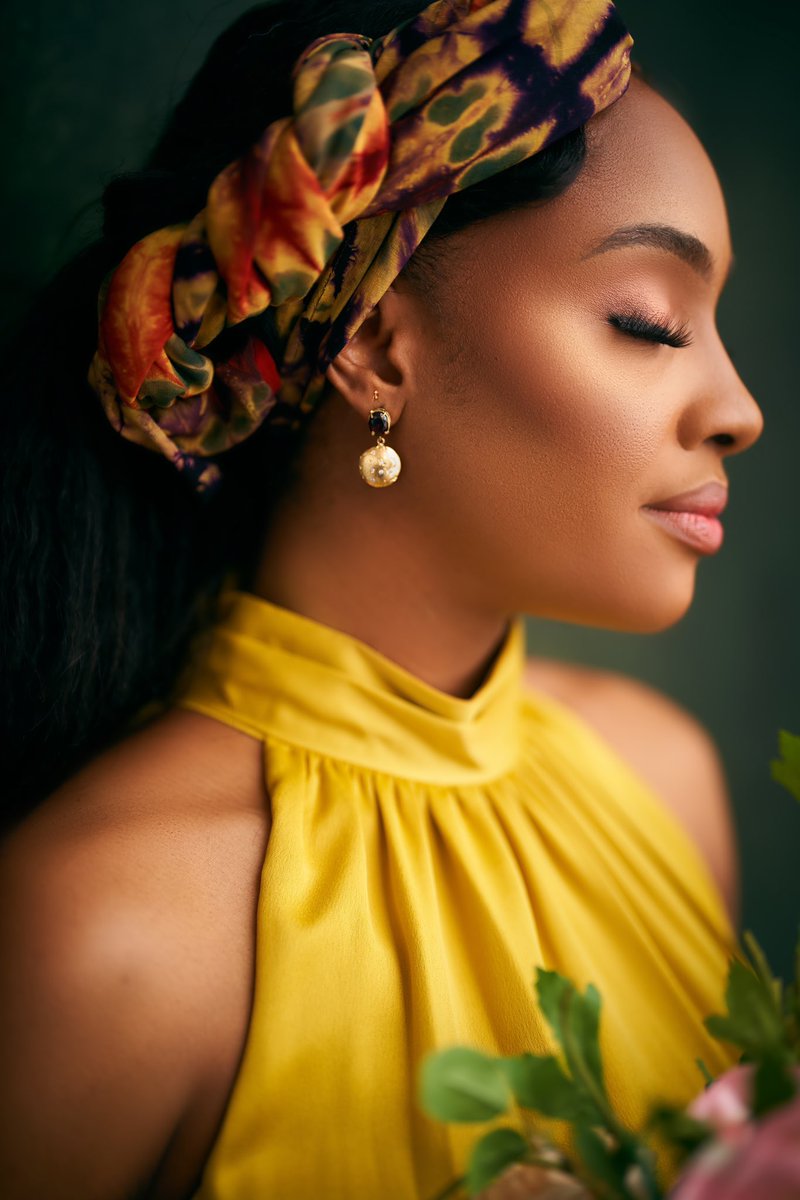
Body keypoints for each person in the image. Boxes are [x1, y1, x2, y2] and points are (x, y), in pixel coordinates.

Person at [0, 0, 765, 1197]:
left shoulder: (666, 782)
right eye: (648, 321)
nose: (738, 407)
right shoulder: (107, 936)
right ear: (374, 347)